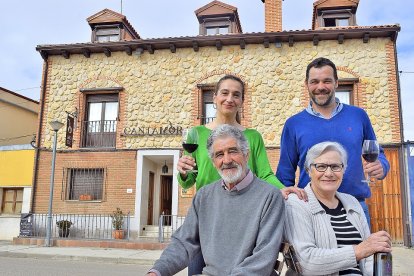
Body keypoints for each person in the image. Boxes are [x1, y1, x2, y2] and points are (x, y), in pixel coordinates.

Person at [178, 74, 306, 275]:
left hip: (243, 222)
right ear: (214, 97)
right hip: (206, 222)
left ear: (242, 101)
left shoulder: (252, 137)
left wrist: (283, 189)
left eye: (236, 95)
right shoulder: (196, 134)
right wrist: (183, 172)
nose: (230, 98)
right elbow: (188, 182)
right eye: (225, 93)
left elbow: (264, 174)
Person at [148, 124, 285, 276]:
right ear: (213, 162)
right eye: (219, 154)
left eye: (233, 151)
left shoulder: (270, 196)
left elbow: (263, 258)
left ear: (246, 155)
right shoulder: (204, 196)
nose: (226, 160)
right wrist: (157, 271)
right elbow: (183, 243)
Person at [276, 57, 390, 224]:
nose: (320, 87)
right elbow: (285, 172)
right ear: (306, 84)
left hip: (355, 207)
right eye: (314, 81)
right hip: (310, 209)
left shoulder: (358, 116)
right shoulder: (293, 124)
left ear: (336, 83)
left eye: (327, 81)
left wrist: (382, 165)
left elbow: (376, 152)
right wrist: (287, 204)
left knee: (361, 251)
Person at [284, 141, 392, 275]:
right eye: (321, 166)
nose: (329, 173)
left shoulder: (352, 202)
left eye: (335, 166)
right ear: (308, 171)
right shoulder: (296, 203)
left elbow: (369, 259)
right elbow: (307, 263)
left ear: (343, 170)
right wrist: (358, 250)